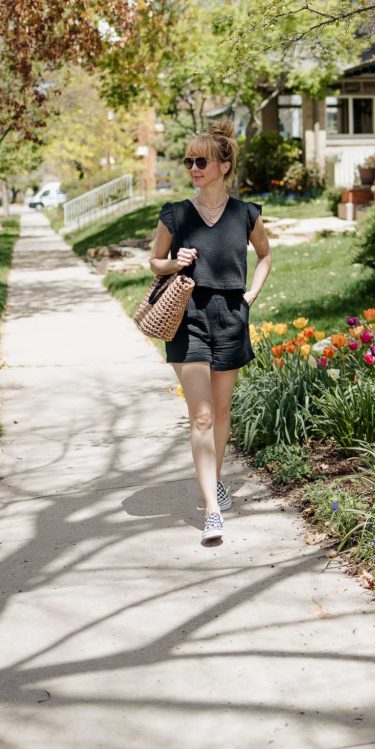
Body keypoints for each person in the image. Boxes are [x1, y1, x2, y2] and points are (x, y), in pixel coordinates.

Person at [149, 120, 272, 544]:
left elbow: (265, 256)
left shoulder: (245, 214)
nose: (194, 167)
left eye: (201, 160)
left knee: (221, 414)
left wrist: (251, 296)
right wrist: (175, 261)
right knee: (200, 414)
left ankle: (214, 479)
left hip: (231, 317)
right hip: (189, 318)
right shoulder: (176, 214)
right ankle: (213, 510)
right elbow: (155, 263)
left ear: (224, 165)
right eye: (189, 161)